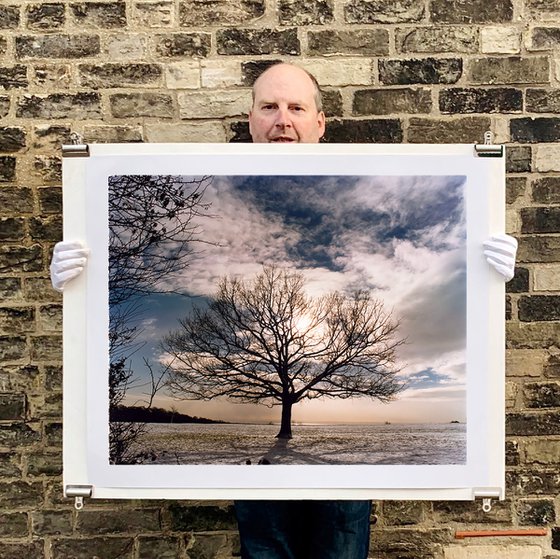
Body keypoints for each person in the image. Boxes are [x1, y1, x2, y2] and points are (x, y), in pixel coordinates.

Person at [50, 63, 518, 559]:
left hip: (342, 487)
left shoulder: (376, 185)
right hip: (265, 475)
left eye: (296, 108)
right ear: (249, 118)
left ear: (320, 122)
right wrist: (82, 284)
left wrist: (485, 276)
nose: (282, 120)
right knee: (265, 549)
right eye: (269, 107)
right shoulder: (205, 193)